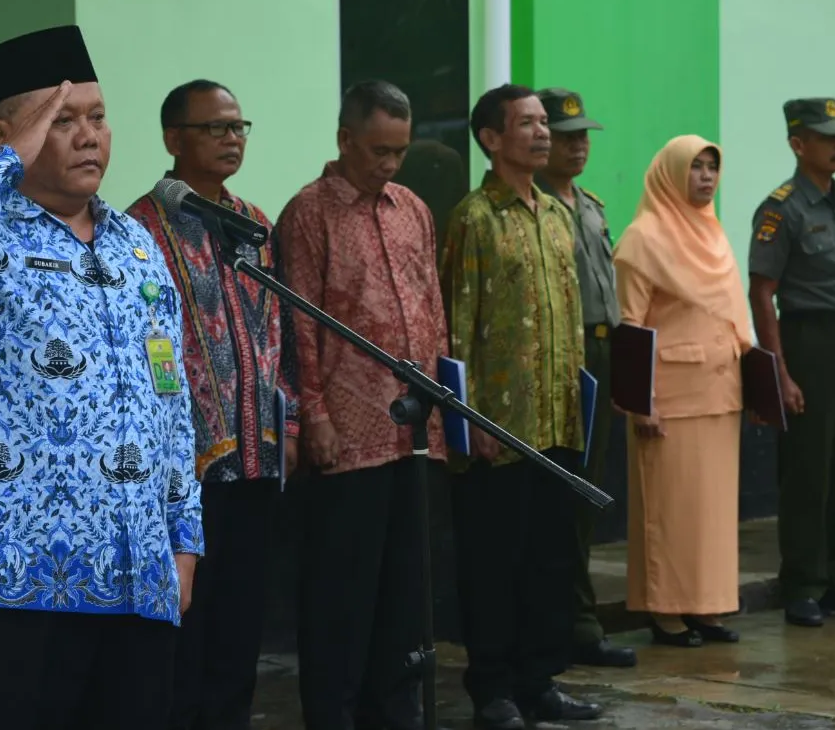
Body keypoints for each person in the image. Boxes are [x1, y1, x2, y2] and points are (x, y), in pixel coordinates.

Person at [0, 25, 202, 730]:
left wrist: (184, 541)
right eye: (60, 121)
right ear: (4, 135)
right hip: (2, 579)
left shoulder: (137, 247)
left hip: (130, 577)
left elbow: (171, 400)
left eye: (98, 117)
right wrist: (0, 166)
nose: (88, 137)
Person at [276, 80, 448, 730]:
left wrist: (442, 404)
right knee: (341, 600)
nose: (389, 164)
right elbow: (299, 329)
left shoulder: (412, 209)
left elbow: (432, 311)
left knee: (403, 598)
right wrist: (311, 416)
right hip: (344, 440)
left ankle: (394, 713)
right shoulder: (308, 213)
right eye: (378, 149)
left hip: (413, 434)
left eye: (400, 151)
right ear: (345, 138)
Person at [126, 79, 296, 730]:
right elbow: (148, 348)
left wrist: (292, 420)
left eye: (238, 127)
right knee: (185, 629)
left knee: (240, 621)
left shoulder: (252, 223)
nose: (231, 139)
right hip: (183, 472)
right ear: (173, 140)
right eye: (215, 128)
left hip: (255, 459)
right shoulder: (142, 226)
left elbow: (275, 327)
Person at [440, 84, 601, 730]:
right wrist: (466, 419)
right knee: (494, 567)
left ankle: (539, 682)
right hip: (497, 432)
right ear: (490, 138)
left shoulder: (558, 215)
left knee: (549, 562)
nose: (542, 134)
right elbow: (455, 328)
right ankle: (494, 689)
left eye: (543, 123)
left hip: (559, 423)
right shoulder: (474, 218)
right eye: (527, 124)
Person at [615, 136, 750, 646]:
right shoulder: (643, 238)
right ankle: (666, 610)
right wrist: (640, 401)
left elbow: (734, 316)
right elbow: (630, 325)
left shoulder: (712, 232)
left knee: (711, 514)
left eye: (713, 166)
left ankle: (708, 607)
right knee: (669, 510)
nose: (707, 176)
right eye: (696, 167)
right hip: (669, 398)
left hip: (721, 392)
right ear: (671, 172)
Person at [748, 97, 835, 627]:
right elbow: (762, 293)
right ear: (799, 144)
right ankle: (803, 582)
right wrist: (779, 369)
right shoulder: (781, 209)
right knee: (808, 469)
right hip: (808, 341)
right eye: (827, 137)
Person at [533, 88, 635, 669]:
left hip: (599, 353)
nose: (577, 147)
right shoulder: (537, 208)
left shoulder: (590, 206)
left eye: (582, 136)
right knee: (563, 495)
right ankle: (569, 622)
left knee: (588, 494)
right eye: (566, 136)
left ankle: (580, 617)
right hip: (559, 358)